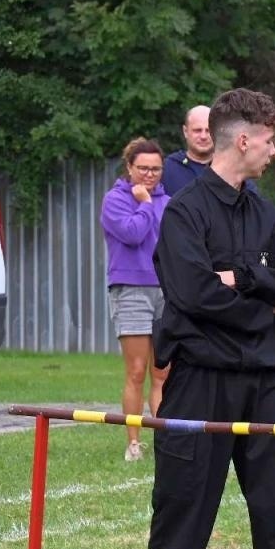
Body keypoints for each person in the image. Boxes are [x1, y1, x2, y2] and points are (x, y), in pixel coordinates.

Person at [101, 88, 275, 549]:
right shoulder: (184, 211)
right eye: (271, 140)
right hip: (199, 382)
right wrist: (263, 298)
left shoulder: (267, 215)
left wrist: (245, 276)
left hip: (263, 385)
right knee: (181, 505)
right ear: (244, 139)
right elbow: (193, 293)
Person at [100, 138, 171, 461]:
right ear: (129, 167)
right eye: (143, 168)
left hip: (165, 292)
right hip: (130, 289)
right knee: (137, 371)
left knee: (163, 372)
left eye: (156, 169)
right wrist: (143, 203)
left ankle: (164, 442)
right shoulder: (115, 200)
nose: (149, 174)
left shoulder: (169, 202)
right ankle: (133, 443)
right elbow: (132, 234)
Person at [160, 105, 214, 197]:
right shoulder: (167, 169)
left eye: (208, 131)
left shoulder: (230, 170)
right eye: (197, 130)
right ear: (185, 131)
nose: (203, 136)